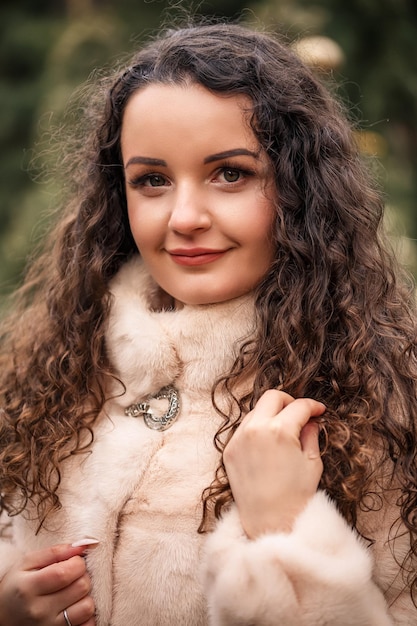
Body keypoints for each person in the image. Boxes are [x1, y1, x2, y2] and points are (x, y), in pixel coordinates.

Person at [0, 19, 416, 626]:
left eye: (230, 173)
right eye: (153, 180)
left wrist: (284, 533)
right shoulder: (54, 379)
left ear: (298, 188)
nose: (185, 216)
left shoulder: (382, 399)